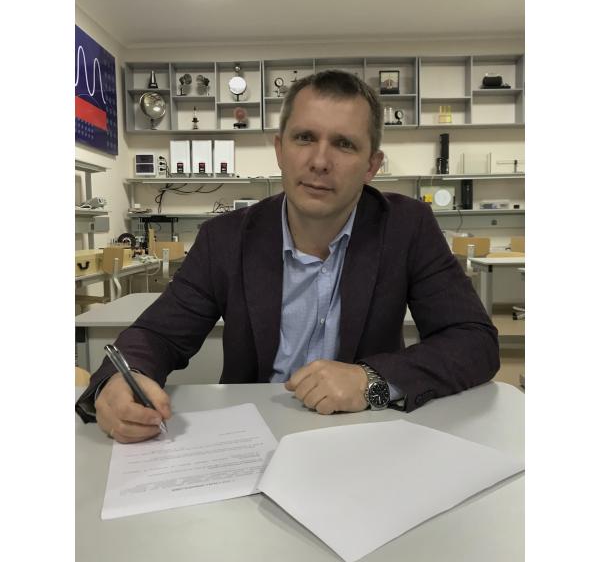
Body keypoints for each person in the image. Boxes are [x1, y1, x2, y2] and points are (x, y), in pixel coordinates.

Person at [76, 70, 499, 443]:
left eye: (344, 144)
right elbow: (158, 335)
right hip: (251, 436)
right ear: (280, 149)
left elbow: (474, 340)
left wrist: (371, 380)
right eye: (304, 138)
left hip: (367, 433)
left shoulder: (407, 227)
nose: (319, 161)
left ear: (372, 165)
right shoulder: (225, 238)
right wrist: (118, 382)